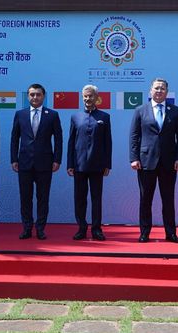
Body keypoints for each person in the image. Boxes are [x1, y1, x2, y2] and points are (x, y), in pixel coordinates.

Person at [129, 78, 178, 243]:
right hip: (146, 161)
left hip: (169, 162)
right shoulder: (141, 110)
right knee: (145, 199)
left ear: (167, 92)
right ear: (150, 91)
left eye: (162, 88)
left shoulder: (175, 111)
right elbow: (134, 136)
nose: (159, 91)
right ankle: (144, 232)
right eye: (156, 88)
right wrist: (134, 158)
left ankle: (171, 233)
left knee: (168, 199)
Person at [10, 84, 62, 240]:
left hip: (45, 163)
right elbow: (14, 138)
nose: (35, 97)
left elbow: (58, 139)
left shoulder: (52, 115)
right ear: (28, 97)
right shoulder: (20, 114)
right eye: (32, 94)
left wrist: (57, 159)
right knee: (25, 197)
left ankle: (40, 228)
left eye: (38, 94)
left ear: (43, 96)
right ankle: (27, 228)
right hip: (24, 163)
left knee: (43, 197)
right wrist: (14, 159)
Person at [67, 84, 112, 241]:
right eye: (85, 96)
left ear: (96, 97)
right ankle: (81, 228)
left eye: (90, 96)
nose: (87, 99)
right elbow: (71, 142)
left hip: (97, 165)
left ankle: (96, 229)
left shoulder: (104, 117)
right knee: (79, 198)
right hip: (79, 165)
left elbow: (108, 142)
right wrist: (70, 164)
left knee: (96, 199)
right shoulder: (75, 117)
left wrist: (107, 164)